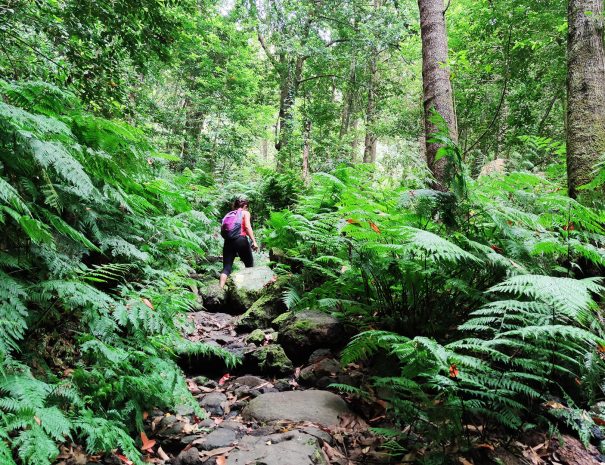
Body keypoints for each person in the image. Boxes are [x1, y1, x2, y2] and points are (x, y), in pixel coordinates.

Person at [219, 198, 258, 288]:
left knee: (226, 268)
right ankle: (249, 289)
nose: (247, 209)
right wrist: (254, 241)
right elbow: (247, 227)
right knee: (249, 265)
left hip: (228, 241)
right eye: (247, 207)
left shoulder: (229, 214)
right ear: (245, 206)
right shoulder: (245, 213)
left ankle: (220, 290)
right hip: (241, 240)